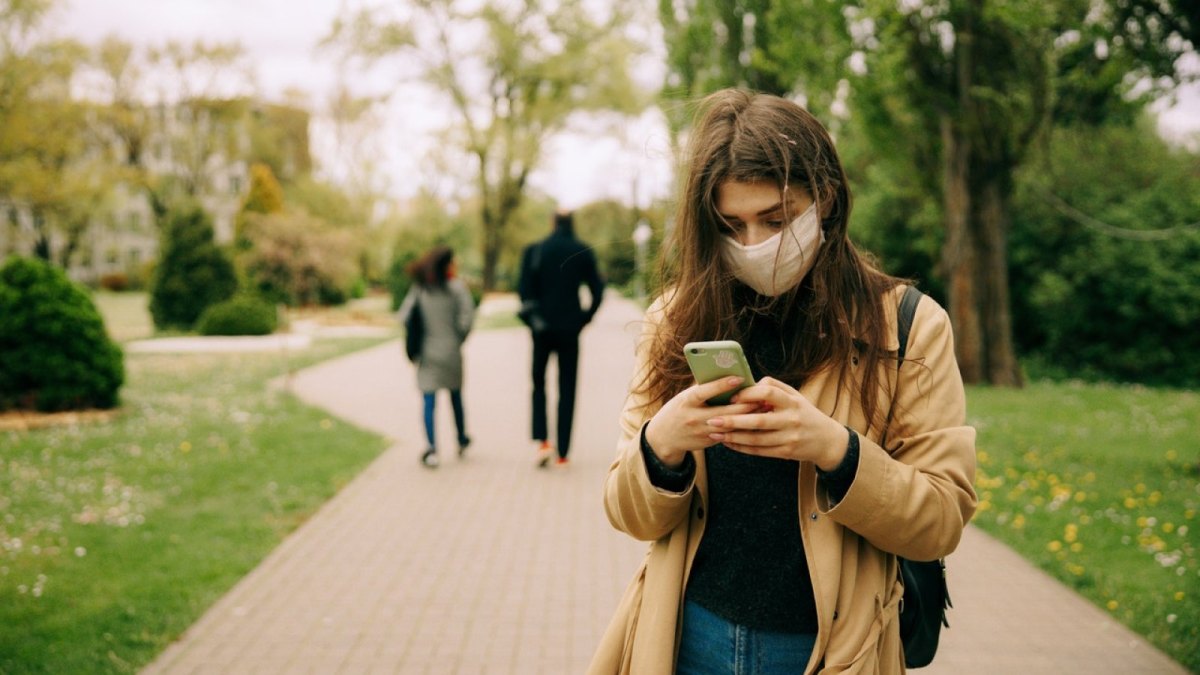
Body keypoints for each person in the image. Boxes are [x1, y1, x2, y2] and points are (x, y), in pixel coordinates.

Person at [588, 89, 977, 674]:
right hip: (688, 637)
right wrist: (659, 444)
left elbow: (941, 518)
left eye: (776, 219)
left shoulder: (907, 325)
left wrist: (836, 451)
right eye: (732, 224)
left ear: (825, 198)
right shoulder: (675, 319)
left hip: (829, 651)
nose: (754, 244)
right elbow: (631, 514)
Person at [517, 209, 606, 468]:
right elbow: (598, 292)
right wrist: (584, 318)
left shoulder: (535, 250)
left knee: (538, 383)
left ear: (552, 223)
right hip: (570, 328)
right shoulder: (582, 250)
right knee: (568, 387)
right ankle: (564, 452)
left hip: (541, 329)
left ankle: (543, 441)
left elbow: (524, 291)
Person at [396, 245, 475, 468]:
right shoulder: (457, 288)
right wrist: (458, 338)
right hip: (451, 351)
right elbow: (467, 319)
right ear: (448, 264)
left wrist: (419, 336)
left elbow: (404, 315)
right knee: (456, 397)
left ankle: (432, 449)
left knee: (429, 401)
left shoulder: (421, 289)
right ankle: (461, 439)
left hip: (428, 353)